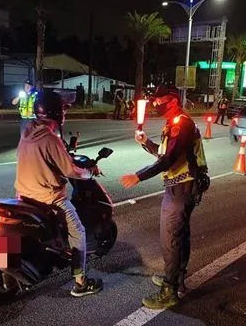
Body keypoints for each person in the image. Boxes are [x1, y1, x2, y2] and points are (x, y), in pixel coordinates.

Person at [120, 85, 209, 309]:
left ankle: (169, 290)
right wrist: (145, 142)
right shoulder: (174, 123)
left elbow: (167, 160)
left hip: (182, 188)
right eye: (155, 101)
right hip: (179, 186)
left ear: (172, 100)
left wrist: (138, 176)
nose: (156, 104)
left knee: (171, 238)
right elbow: (165, 154)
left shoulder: (182, 123)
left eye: (159, 101)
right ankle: (176, 278)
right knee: (179, 236)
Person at [15, 90, 103, 297]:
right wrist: (90, 172)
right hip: (49, 199)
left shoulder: (28, 130)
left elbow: (45, 157)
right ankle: (81, 282)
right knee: (78, 231)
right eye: (63, 108)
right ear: (56, 111)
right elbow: (70, 170)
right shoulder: (50, 139)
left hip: (23, 195)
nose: (65, 112)